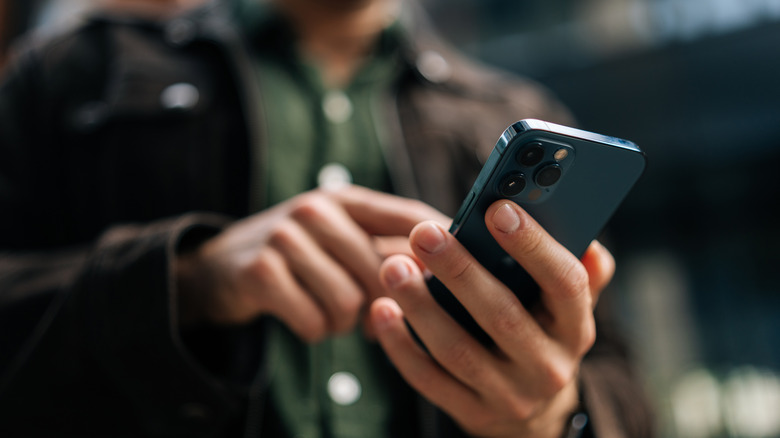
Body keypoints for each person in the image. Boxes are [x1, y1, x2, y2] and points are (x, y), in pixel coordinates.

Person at [0, 0, 654, 436]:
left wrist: (558, 415)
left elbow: (626, 391)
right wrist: (192, 279)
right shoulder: (74, 75)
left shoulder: (509, 110)